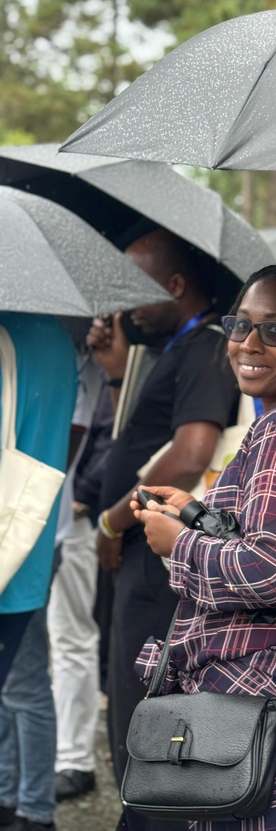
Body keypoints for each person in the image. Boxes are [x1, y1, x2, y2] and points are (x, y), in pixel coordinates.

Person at [132, 263, 276, 831]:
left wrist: (178, 545)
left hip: (243, 694)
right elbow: (268, 536)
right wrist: (196, 513)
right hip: (266, 694)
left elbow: (272, 568)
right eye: (240, 325)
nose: (249, 344)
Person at [87, 226, 239, 830]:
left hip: (157, 559)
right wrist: (117, 371)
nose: (124, 302)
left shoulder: (204, 347)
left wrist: (109, 521)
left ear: (176, 285)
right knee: (129, 709)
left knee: (145, 719)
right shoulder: (177, 346)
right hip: (144, 559)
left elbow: (189, 453)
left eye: (135, 287)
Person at [0, 313, 77, 831]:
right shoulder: (55, 339)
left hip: (11, 535)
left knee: (21, 687)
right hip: (35, 530)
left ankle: (29, 806)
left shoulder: (8, 334)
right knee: (22, 683)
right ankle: (19, 798)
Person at [50, 375, 114, 802]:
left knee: (71, 638)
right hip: (44, 513)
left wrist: (84, 493)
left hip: (69, 518)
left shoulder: (98, 370)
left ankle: (73, 757)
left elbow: (111, 436)